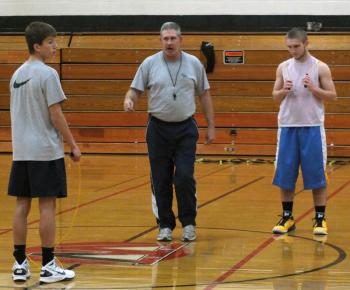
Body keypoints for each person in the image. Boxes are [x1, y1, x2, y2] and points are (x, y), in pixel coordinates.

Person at [124, 22, 215, 242]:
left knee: (184, 177)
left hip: (185, 129)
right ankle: (164, 224)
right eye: (165, 38)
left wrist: (211, 125)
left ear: (181, 40)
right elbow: (135, 90)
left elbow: (204, 95)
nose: (169, 42)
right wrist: (129, 99)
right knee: (160, 178)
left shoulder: (194, 64)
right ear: (161, 40)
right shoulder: (149, 63)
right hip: (157, 129)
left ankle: (189, 223)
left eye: (173, 38)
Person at [8, 21, 81, 283]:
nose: (55, 46)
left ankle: (19, 265)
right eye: (50, 42)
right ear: (37, 46)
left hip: (22, 151)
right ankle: (49, 265)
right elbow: (55, 113)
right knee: (47, 205)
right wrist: (72, 144)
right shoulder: (48, 74)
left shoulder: (16, 74)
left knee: (21, 205)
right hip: (44, 151)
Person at [272, 27, 337, 235]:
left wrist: (315, 89)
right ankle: (287, 217)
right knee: (286, 175)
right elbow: (275, 96)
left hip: (312, 127)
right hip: (287, 126)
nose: (292, 51)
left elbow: (333, 96)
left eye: (296, 46)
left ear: (306, 43)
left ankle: (319, 219)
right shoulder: (283, 67)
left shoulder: (320, 67)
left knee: (316, 175)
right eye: (289, 47)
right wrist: (283, 91)